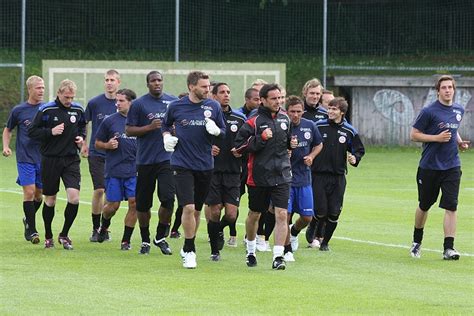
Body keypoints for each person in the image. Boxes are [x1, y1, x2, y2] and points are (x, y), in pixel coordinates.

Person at [162, 71, 226, 269]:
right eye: (204, 86)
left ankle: (187, 243)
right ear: (192, 87)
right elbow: (165, 125)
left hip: (205, 165)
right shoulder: (176, 106)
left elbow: (222, 132)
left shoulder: (213, 106)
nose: (208, 90)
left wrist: (216, 131)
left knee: (197, 210)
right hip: (181, 164)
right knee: (188, 207)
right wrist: (166, 137)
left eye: (208, 86)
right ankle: (190, 250)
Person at [234, 83, 297, 270]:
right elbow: (239, 147)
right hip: (259, 176)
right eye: (274, 98)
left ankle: (278, 256)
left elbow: (287, 143)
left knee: (282, 214)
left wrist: (291, 145)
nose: (278, 102)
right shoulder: (253, 121)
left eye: (280, 98)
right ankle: (251, 250)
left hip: (283, 174)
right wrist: (260, 138)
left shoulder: (285, 118)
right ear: (263, 100)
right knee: (255, 214)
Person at [409, 75, 469, 260]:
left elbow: (453, 129)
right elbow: (414, 135)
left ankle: (448, 248)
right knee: (425, 205)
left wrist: (458, 142)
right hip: (430, 166)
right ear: (438, 91)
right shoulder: (429, 111)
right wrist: (436, 138)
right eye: (444, 87)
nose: (447, 90)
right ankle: (416, 242)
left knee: (451, 206)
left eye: (450, 87)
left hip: (452, 165)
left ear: (454, 89)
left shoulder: (459, 109)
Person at [28, 79, 86, 250]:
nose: (69, 101)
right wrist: (50, 132)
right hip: (50, 159)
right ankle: (48, 236)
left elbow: (82, 126)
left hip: (71, 159)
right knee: (50, 200)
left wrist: (81, 137)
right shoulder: (46, 109)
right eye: (66, 97)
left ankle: (64, 234)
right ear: (59, 94)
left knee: (74, 198)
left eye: (72, 97)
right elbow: (32, 131)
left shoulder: (78, 109)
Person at [125, 71, 178, 255]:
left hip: (167, 159)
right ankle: (145, 239)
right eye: (153, 81)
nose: (157, 83)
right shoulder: (139, 104)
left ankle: (160, 237)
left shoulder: (172, 102)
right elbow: (129, 130)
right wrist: (149, 127)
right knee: (143, 205)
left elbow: (178, 126)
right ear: (147, 84)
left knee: (168, 199)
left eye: (160, 80)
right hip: (145, 160)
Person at [312, 97, 365, 251]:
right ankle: (313, 229)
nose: (330, 111)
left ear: (342, 112)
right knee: (320, 210)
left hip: (338, 177)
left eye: (334, 109)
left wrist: (355, 158)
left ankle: (325, 243)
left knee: (334, 212)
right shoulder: (318, 126)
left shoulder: (349, 130)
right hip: (318, 175)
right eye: (329, 108)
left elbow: (358, 149)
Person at [205, 82, 246, 260]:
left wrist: (241, 151)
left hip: (233, 172)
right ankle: (215, 250)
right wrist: (208, 149)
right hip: (212, 172)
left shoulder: (240, 119)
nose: (226, 95)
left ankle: (218, 230)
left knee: (231, 214)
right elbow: (195, 140)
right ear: (214, 96)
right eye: (222, 92)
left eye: (228, 92)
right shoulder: (206, 118)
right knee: (214, 211)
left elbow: (248, 142)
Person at [2, 75, 45, 244]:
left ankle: (28, 219)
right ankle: (32, 230)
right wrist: (6, 146)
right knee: (29, 192)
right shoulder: (19, 110)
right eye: (38, 88)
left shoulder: (47, 109)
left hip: (43, 158)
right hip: (25, 157)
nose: (41, 90)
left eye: (43, 87)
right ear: (30, 89)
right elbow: (8, 129)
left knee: (39, 196)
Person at [94, 89, 138, 250]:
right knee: (113, 206)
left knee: (134, 204)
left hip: (134, 171)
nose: (117, 103)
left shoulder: (140, 121)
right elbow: (97, 143)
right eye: (117, 101)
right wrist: (107, 145)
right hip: (114, 170)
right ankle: (104, 226)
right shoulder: (109, 121)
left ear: (130, 102)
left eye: (121, 101)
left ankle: (126, 240)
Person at [82, 69, 121, 242]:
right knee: (99, 189)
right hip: (97, 153)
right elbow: (84, 123)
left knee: (112, 194)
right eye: (107, 79)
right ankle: (95, 228)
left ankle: (105, 228)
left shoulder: (123, 103)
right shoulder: (94, 103)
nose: (109, 82)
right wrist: (83, 143)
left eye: (112, 79)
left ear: (118, 82)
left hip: (117, 156)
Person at [284, 95, 323, 262]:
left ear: (303, 112)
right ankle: (286, 251)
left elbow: (319, 144)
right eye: (292, 111)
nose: (295, 115)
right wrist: (284, 151)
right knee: (284, 216)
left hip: (304, 179)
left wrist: (312, 156)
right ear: (286, 112)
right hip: (285, 179)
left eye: (299, 111)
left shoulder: (310, 126)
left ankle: (293, 232)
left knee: (307, 217)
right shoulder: (282, 127)